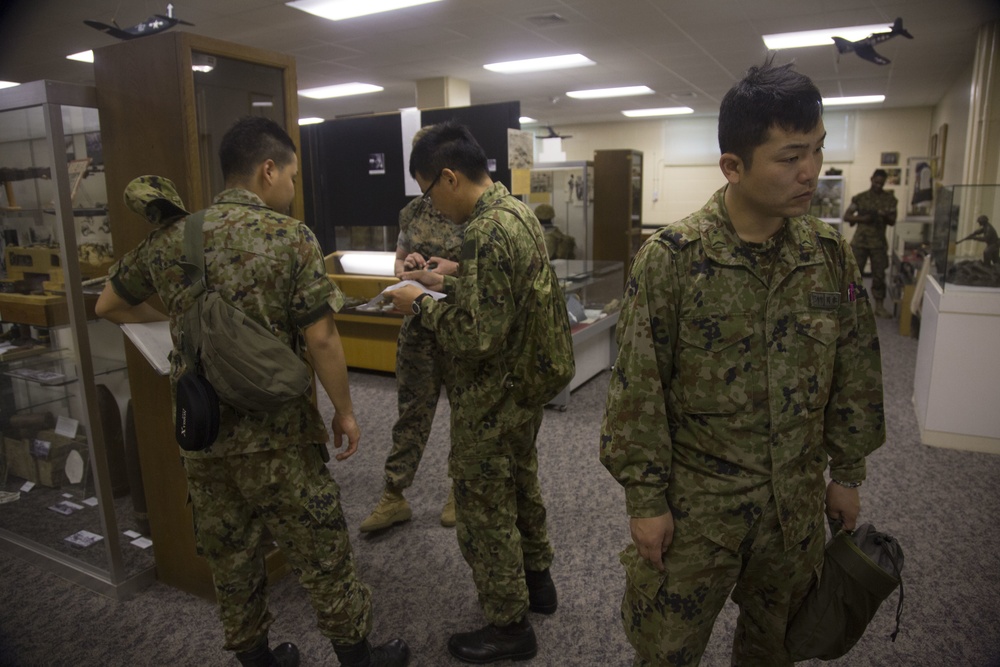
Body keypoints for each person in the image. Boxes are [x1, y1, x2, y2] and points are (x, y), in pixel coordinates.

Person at [599, 59, 886, 667]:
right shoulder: (673, 258)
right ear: (733, 165)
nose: (810, 171)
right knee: (666, 651)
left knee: (775, 650)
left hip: (795, 509)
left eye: (817, 150)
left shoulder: (828, 255)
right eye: (789, 157)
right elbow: (637, 391)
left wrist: (848, 472)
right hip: (698, 513)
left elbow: (856, 369)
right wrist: (645, 501)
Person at [95, 117, 410, 667]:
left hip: (205, 435)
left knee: (231, 554)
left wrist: (179, 317)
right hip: (280, 436)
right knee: (321, 548)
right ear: (268, 170)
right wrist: (346, 412)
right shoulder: (291, 238)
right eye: (290, 175)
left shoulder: (174, 238)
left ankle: (258, 658)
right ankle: (357, 657)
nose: (291, 188)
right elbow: (321, 336)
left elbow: (109, 305)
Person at [385, 121, 560, 664]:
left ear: (448, 177)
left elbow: (476, 334)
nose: (433, 205)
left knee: (484, 508)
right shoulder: (517, 214)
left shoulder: (485, 230)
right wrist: (449, 281)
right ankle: (538, 584)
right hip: (525, 383)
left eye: (429, 191)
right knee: (522, 484)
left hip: (493, 392)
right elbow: (501, 295)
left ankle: (509, 629)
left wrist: (418, 301)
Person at [360, 141, 466, 532]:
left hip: (459, 326)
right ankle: (394, 494)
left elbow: (488, 269)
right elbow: (398, 263)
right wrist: (409, 265)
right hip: (419, 329)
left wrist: (451, 269)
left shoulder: (476, 214)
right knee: (411, 414)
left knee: (465, 414)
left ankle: (460, 490)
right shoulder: (414, 211)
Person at [844, 168, 898, 317]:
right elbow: (847, 216)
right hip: (860, 242)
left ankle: (879, 306)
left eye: (881, 183)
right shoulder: (860, 198)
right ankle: (851, 306)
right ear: (871, 179)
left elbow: (893, 221)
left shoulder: (890, 199)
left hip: (878, 244)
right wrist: (863, 219)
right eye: (876, 182)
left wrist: (884, 216)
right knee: (853, 276)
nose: (878, 185)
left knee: (879, 276)